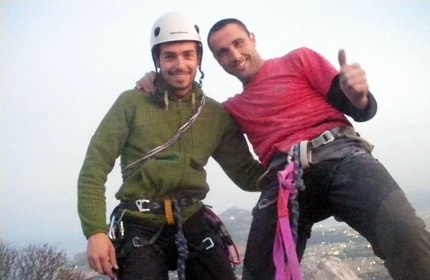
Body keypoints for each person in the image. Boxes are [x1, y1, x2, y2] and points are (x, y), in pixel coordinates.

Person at [138, 18, 430, 280]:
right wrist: (156, 82)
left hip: (341, 154)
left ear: (252, 38)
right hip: (285, 180)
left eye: (238, 43)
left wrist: (360, 96)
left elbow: (356, 107)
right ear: (215, 60)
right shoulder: (231, 110)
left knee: (406, 233)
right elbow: (186, 108)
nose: (235, 55)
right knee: (260, 271)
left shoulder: (298, 60)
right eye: (223, 52)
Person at [77, 13, 264, 280]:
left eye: (188, 55)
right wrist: (95, 231)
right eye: (170, 56)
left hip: (192, 217)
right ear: (158, 61)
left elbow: (246, 174)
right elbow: (94, 169)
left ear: (198, 58)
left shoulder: (215, 115)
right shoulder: (131, 103)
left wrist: (289, 167)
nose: (180, 64)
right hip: (139, 223)